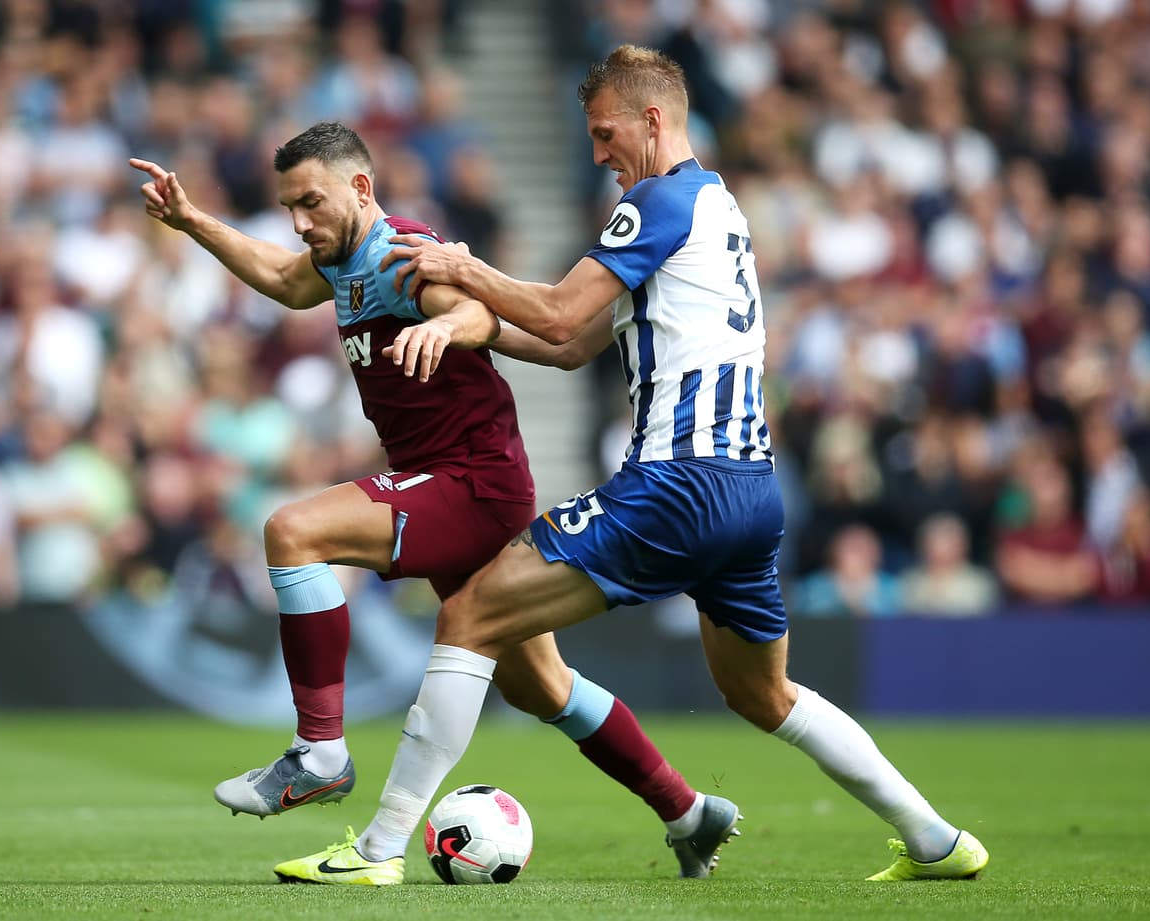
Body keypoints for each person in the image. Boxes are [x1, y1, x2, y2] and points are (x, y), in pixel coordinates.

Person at [275, 46, 990, 885]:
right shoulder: (720, 206)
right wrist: (461, 326)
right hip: (751, 489)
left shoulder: (658, 199)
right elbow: (573, 344)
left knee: (470, 616)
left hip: (675, 485)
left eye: (605, 133)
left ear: (654, 120)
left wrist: (462, 269)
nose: (598, 154)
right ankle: (938, 839)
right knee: (765, 695)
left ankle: (377, 850)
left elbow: (555, 307)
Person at [129, 122, 733, 881]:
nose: (299, 223)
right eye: (289, 208)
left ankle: (319, 752)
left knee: (293, 531)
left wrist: (448, 324)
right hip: (466, 483)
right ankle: (688, 809)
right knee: (541, 684)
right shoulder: (339, 259)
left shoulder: (398, 250)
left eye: (311, 203)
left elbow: (478, 311)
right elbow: (285, 281)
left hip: (467, 481)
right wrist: (193, 221)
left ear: (360, 188)